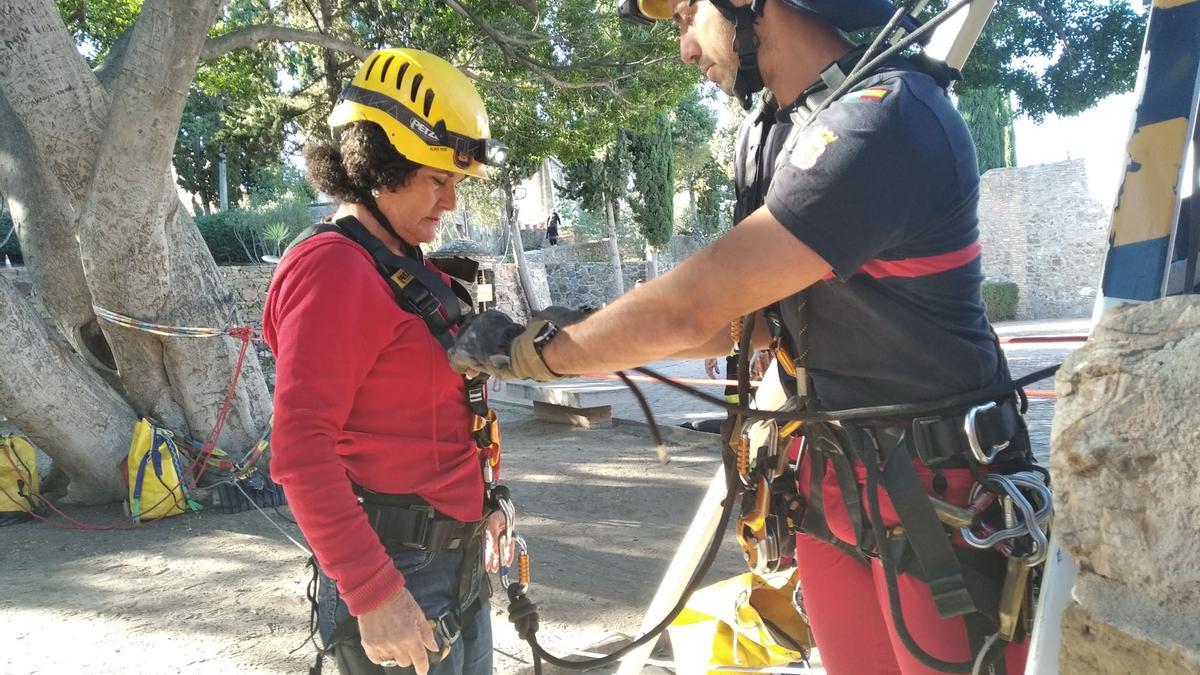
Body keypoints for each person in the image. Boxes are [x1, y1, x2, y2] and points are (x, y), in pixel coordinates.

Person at [449, 2, 1041, 674]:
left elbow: (694, 309)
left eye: (684, 16)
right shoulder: (776, 134)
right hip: (831, 488)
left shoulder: (884, 118)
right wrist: (579, 330)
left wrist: (538, 354)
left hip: (935, 494)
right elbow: (745, 320)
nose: (687, 51)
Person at [263, 48, 511, 675]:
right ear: (378, 164)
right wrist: (373, 593)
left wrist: (480, 514)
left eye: (455, 183)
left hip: (451, 564)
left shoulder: (401, 267)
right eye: (436, 179)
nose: (451, 203)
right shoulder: (336, 271)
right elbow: (300, 453)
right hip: (399, 574)